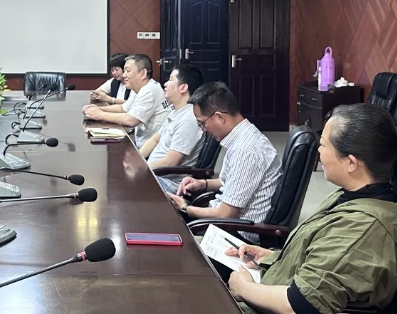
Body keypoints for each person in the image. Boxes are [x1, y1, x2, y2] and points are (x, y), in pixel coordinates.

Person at [227, 103, 397, 314]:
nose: (318, 150)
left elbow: (301, 305)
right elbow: (326, 256)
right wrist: (270, 257)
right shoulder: (349, 196)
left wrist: (243, 288)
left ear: (351, 163)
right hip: (271, 284)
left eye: (324, 145)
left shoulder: (362, 229)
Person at [167, 82, 281, 244]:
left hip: (237, 233)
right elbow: (229, 181)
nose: (203, 129)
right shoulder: (244, 135)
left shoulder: (245, 151)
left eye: (202, 123)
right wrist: (201, 184)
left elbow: (225, 214)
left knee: (167, 224)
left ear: (219, 117)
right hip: (226, 222)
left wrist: (185, 208)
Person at [139, 65, 204, 193]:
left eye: (170, 79)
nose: (165, 84)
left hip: (168, 183)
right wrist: (137, 160)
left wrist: (140, 169)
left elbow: (170, 162)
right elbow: (154, 140)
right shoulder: (176, 112)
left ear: (183, 88)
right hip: (155, 174)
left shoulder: (188, 119)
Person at [82, 54, 167, 148]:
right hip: (141, 144)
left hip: (152, 150)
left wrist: (100, 115)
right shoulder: (139, 88)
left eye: (128, 71)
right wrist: (98, 109)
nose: (124, 75)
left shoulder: (150, 90)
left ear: (143, 73)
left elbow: (131, 120)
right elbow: (123, 108)